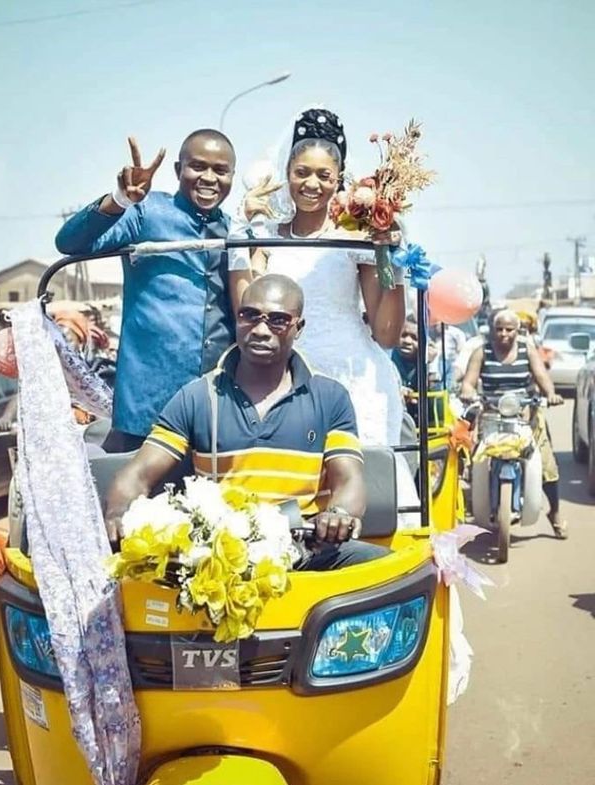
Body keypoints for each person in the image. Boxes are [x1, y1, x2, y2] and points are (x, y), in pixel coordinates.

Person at [105, 274, 388, 569]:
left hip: (306, 553)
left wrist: (339, 513)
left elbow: (349, 479)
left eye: (278, 320)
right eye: (250, 315)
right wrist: (118, 512)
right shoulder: (198, 396)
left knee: (389, 573)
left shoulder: (330, 396)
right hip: (218, 558)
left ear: (298, 328)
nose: (261, 330)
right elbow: (137, 474)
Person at [228, 106, 419, 525]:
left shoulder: (354, 241)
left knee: (364, 494)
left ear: (338, 181)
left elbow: (386, 332)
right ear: (287, 173)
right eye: (301, 172)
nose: (311, 184)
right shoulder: (264, 238)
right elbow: (245, 306)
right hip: (279, 377)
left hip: (353, 380)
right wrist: (243, 229)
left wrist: (392, 258)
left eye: (323, 176)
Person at [55, 130, 237, 452]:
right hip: (147, 407)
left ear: (231, 176)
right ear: (178, 169)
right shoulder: (145, 211)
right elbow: (69, 243)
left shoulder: (233, 229)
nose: (209, 178)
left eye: (220, 170)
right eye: (198, 167)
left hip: (216, 405)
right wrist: (120, 199)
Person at [461, 308, 568, 538]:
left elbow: (542, 377)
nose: (503, 334)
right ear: (491, 331)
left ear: (517, 331)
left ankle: (555, 512)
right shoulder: (482, 352)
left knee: (546, 463)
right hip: (491, 415)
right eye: (499, 329)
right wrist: (468, 392)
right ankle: (475, 503)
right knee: (472, 460)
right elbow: (469, 382)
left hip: (524, 414)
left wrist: (551, 394)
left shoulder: (527, 350)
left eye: (509, 329)